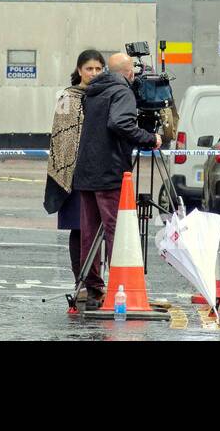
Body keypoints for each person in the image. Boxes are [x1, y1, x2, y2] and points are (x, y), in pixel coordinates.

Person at [71, 52, 161, 305]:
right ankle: (120, 286)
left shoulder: (94, 91)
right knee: (115, 230)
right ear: (129, 72)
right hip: (109, 171)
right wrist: (148, 138)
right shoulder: (122, 92)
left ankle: (93, 287)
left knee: (89, 232)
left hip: (87, 170)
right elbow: (119, 123)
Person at [45, 50, 105, 286]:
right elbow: (62, 137)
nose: (93, 73)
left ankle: (95, 281)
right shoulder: (67, 98)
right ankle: (80, 282)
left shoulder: (106, 95)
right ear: (79, 70)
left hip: (99, 172)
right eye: (89, 68)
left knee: (98, 230)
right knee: (79, 229)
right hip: (73, 174)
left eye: (98, 69)